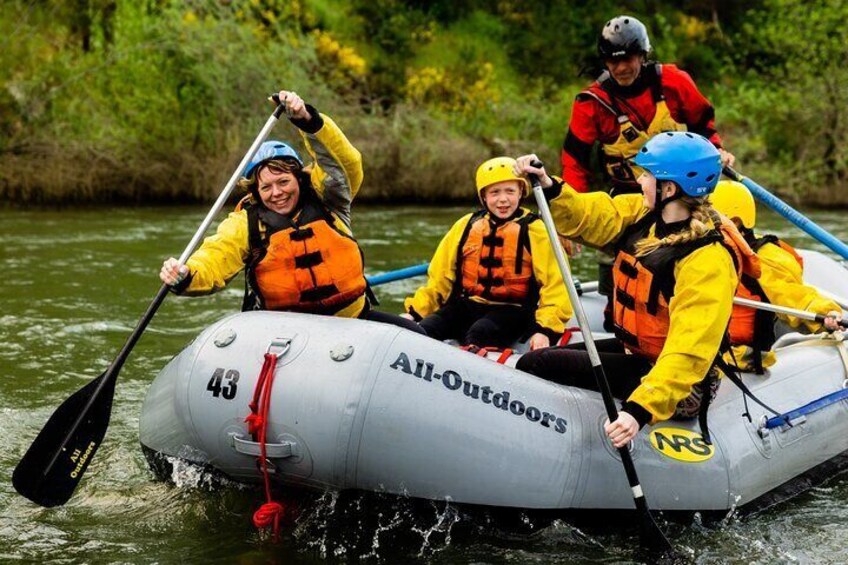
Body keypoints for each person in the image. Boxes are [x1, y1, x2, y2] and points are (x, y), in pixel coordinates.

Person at [515, 131, 759, 448]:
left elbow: (688, 350)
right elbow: (591, 216)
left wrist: (638, 410)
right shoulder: (643, 214)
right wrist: (548, 185)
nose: (640, 180)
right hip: (639, 355)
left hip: (682, 387)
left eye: (647, 175)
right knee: (536, 361)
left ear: (669, 188)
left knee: (538, 365)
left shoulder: (707, 259)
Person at [160, 90, 422, 333]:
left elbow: (345, 163)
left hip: (351, 322)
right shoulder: (245, 224)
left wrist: (308, 121)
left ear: (298, 179)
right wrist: (185, 275)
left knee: (417, 334)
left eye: (283, 182)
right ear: (255, 191)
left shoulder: (330, 198)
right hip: (287, 334)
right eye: (267, 187)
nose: (277, 193)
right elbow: (215, 259)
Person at [560, 15, 736, 312]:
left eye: (626, 59)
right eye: (611, 61)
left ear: (642, 55)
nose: (620, 68)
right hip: (629, 195)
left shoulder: (673, 82)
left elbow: (703, 123)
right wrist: (570, 214)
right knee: (618, 261)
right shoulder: (592, 102)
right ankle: (616, 311)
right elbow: (574, 162)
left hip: (683, 195)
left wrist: (716, 149)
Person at [401, 157, 573, 350]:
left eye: (510, 191)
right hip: (469, 305)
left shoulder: (536, 230)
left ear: (521, 192)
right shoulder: (466, 225)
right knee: (426, 329)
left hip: (514, 311)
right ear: (484, 197)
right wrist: (415, 313)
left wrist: (545, 330)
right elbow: (440, 278)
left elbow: (556, 285)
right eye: (494, 193)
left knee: (480, 333)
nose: (502, 199)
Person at [709, 180, 842, 373]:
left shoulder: (764, 258)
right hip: (704, 351)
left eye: (709, 218)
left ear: (735, 222)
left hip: (737, 357)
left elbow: (793, 295)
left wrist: (825, 313)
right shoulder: (704, 252)